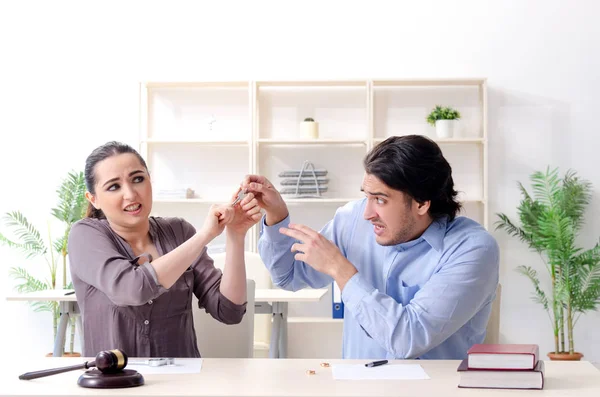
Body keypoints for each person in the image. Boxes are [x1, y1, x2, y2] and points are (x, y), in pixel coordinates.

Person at [242, 135, 499, 360]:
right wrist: (276, 215)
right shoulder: (352, 219)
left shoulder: (473, 249)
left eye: (380, 199)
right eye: (367, 195)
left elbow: (408, 339)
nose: (367, 213)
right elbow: (289, 277)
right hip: (358, 387)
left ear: (422, 203)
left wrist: (339, 269)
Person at [68, 141, 262, 357]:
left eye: (138, 179)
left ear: (150, 180)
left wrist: (235, 235)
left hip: (180, 384)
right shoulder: (85, 235)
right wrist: (204, 235)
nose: (131, 194)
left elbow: (229, 311)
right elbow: (132, 288)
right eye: (114, 186)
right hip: (114, 386)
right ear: (93, 199)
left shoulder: (179, 232)